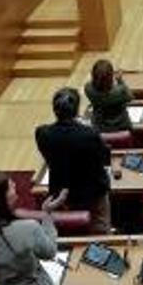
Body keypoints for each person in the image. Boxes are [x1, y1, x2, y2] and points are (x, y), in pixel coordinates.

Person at [35, 87, 111, 233]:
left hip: (61, 191)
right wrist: (85, 127)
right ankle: (104, 234)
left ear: (55, 110)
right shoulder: (90, 134)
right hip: (92, 191)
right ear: (76, 111)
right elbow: (104, 158)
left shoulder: (42, 133)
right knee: (100, 225)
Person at [84, 59, 133, 133]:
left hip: (99, 127)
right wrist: (120, 81)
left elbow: (93, 84)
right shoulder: (120, 91)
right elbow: (130, 97)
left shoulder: (88, 88)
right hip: (122, 126)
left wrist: (98, 77)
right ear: (111, 76)